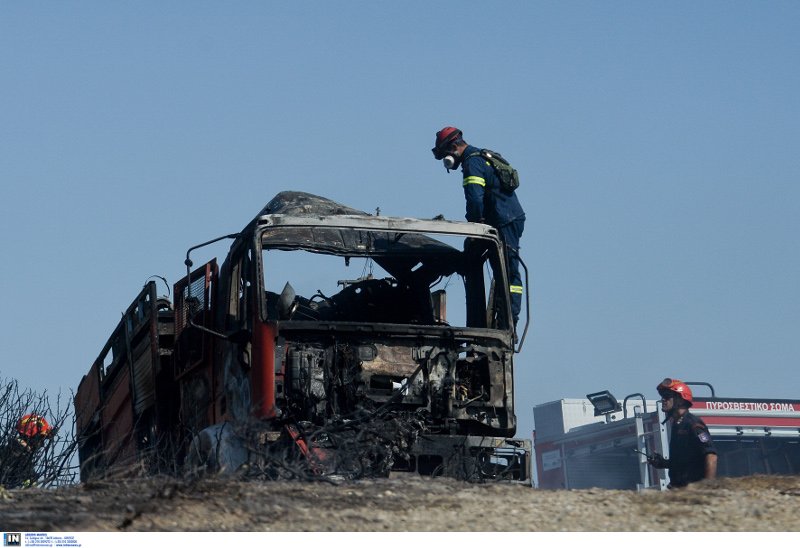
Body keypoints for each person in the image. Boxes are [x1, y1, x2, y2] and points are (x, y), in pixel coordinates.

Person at [431, 126, 526, 329]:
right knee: (476, 257)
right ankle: (497, 316)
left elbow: (474, 199)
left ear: (454, 147)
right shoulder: (478, 156)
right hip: (502, 219)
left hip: (505, 221)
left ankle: (509, 322)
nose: (447, 161)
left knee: (508, 274)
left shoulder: (472, 163)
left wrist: (474, 228)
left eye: (445, 155)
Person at [647, 379, 717, 488]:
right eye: (662, 397)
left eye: (667, 396)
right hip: (679, 490)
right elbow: (684, 463)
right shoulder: (677, 424)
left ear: (680, 399)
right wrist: (663, 463)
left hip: (692, 491)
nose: (663, 400)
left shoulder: (693, 424)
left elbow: (711, 455)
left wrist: (707, 488)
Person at [0, 413, 54, 489]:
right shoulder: (22, 459)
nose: (42, 444)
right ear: (32, 437)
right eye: (41, 438)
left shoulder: (6, 451)